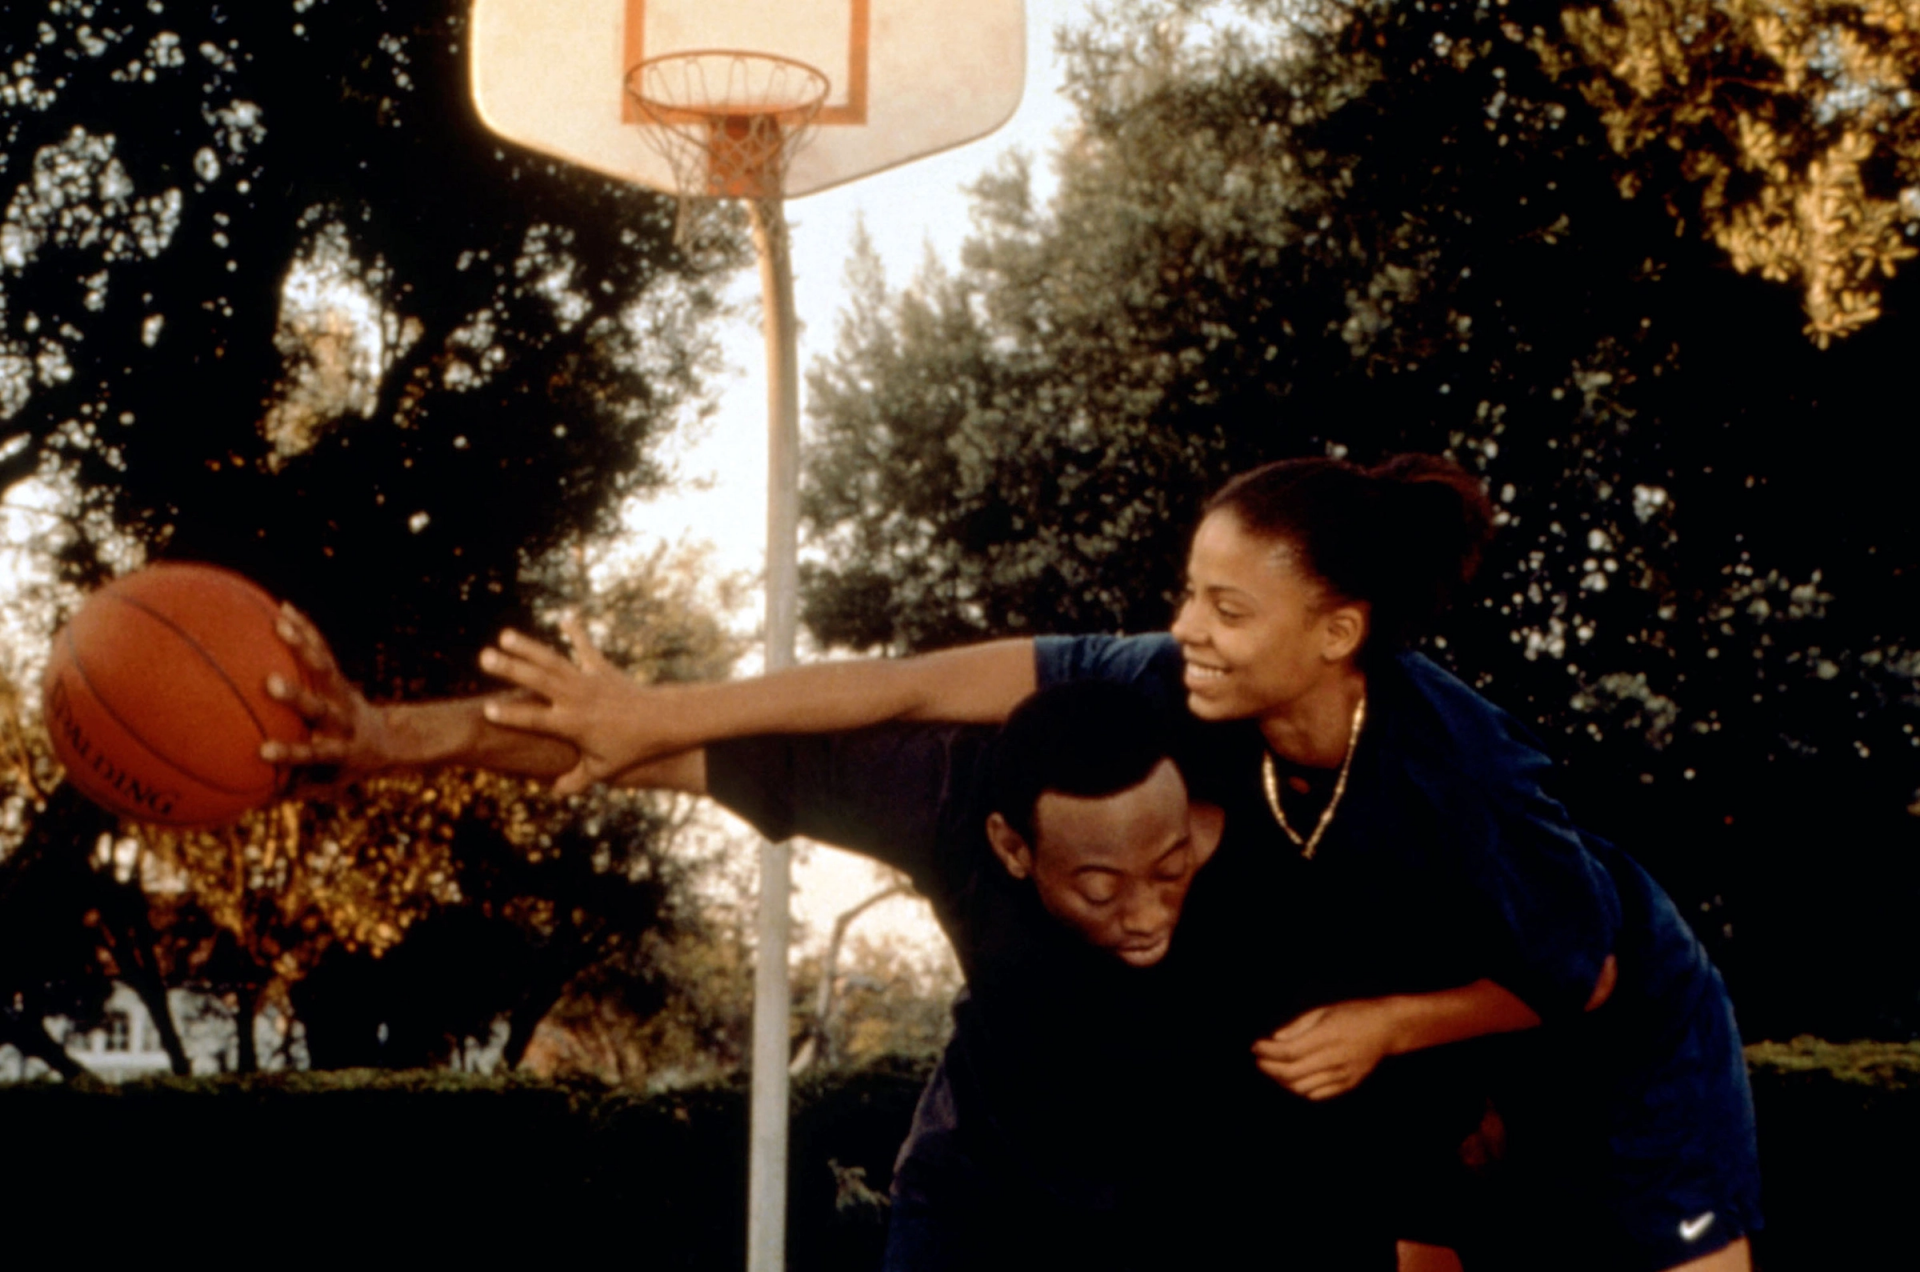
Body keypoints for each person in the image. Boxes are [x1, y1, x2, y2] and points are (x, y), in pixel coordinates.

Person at [462, 454, 1761, 1272]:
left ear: (1339, 632)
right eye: (1190, 591)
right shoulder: (1177, 684)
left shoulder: (1462, 772)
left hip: (1612, 1022)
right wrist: (661, 714)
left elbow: (1585, 971)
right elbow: (912, 688)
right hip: (1435, 1028)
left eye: (1227, 608)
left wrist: (1385, 1024)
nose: (1185, 626)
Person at [262, 624, 1479, 1269]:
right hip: (990, 1198)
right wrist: (390, 737)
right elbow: (636, 750)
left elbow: (1436, 1119)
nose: (1150, 911)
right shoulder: (941, 797)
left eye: (1173, 868)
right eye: (1099, 885)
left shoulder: (1299, 854)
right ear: (1010, 847)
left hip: (1221, 1208)